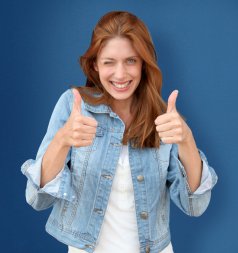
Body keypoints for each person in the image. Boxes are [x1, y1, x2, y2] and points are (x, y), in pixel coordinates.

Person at [21, 11, 217, 253]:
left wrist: (187, 139)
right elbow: (37, 199)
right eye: (109, 62)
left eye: (131, 61)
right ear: (95, 65)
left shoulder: (163, 117)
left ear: (144, 63)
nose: (121, 74)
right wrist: (62, 140)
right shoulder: (74, 107)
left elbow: (194, 206)